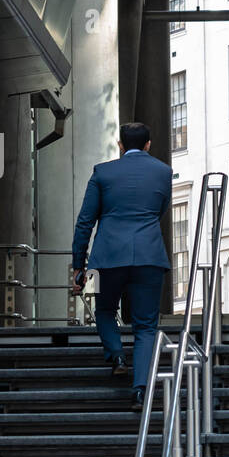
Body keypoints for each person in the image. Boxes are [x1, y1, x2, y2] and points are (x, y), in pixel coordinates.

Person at [72, 122, 171, 411]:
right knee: (145, 327)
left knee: (103, 309)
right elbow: (160, 209)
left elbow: (85, 222)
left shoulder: (102, 172)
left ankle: (116, 355)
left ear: (120, 145)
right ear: (149, 144)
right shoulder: (163, 172)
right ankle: (140, 391)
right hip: (149, 257)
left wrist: (79, 265)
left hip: (106, 259)